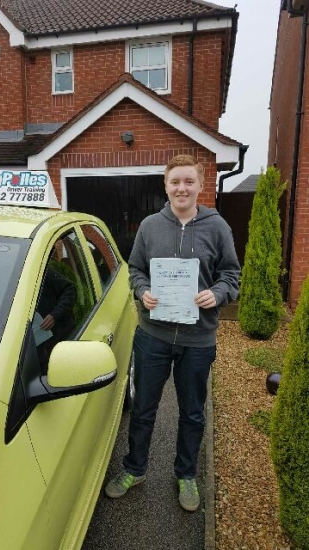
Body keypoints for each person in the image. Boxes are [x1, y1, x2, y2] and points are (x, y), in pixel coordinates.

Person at [105, 154, 240, 512]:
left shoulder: (217, 227)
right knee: (144, 409)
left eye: (188, 181)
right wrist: (141, 290)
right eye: (175, 182)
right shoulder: (151, 226)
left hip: (198, 340)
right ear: (165, 186)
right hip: (153, 336)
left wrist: (219, 293)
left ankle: (186, 474)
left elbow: (231, 275)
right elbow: (135, 268)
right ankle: (135, 469)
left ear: (199, 185)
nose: (182, 188)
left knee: (192, 412)